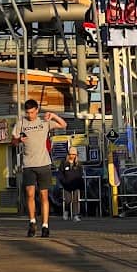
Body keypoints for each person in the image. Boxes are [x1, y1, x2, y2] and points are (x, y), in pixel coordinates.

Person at [11, 99, 66, 237]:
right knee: (29, 194)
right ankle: (32, 221)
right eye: (27, 112)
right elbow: (12, 141)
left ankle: (45, 225)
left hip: (44, 164)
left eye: (32, 112)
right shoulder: (21, 123)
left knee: (44, 195)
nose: (30, 115)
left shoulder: (44, 123)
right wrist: (18, 140)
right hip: (28, 164)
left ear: (37, 110)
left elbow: (63, 124)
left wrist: (53, 115)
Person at [58, 148, 86, 220]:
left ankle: (75, 215)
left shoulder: (78, 164)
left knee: (75, 200)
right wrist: (63, 181)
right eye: (71, 154)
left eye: (74, 154)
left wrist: (81, 185)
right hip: (67, 185)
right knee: (68, 200)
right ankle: (66, 212)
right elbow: (60, 173)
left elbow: (80, 174)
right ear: (68, 154)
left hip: (76, 184)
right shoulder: (64, 163)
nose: (72, 156)